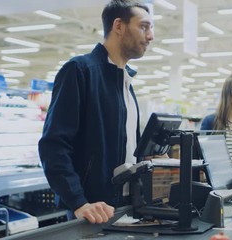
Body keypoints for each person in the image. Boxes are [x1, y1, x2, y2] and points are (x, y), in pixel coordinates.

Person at [38, 0, 154, 224]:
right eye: (144, 26)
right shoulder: (80, 71)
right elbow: (53, 145)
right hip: (92, 212)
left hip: (125, 207)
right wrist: (79, 202)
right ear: (118, 26)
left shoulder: (126, 81)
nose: (150, 36)